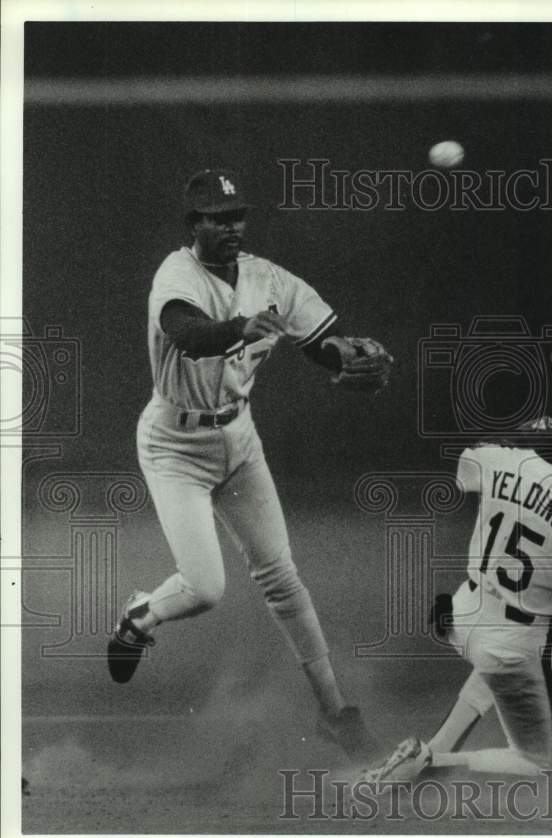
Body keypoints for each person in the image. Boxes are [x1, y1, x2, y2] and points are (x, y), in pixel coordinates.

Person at [107, 168, 392, 762]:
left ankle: (338, 714)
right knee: (206, 588)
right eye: (217, 217)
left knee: (283, 580)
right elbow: (188, 334)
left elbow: (323, 341)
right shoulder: (176, 274)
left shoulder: (270, 280)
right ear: (194, 225)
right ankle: (140, 614)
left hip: (238, 440)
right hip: (173, 446)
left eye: (237, 216)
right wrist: (241, 327)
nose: (231, 227)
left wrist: (349, 355)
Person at [363, 371, 552, 783]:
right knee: (538, 764)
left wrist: (533, 435)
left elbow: (469, 464)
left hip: (462, 613)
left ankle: (432, 750)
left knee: (502, 668)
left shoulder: (497, 455)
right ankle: (425, 763)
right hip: (514, 641)